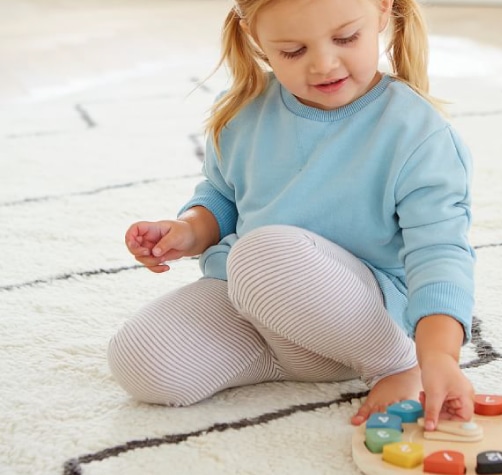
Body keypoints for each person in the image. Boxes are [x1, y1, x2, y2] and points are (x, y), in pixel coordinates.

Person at [108, 0, 476, 431]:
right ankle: (277, 361)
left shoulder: (419, 133)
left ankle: (394, 363)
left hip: (357, 315)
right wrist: (189, 230)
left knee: (262, 254)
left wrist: (437, 357)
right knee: (139, 361)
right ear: (255, 39)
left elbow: (439, 253)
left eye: (345, 38)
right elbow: (223, 195)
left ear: (382, 11)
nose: (323, 64)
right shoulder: (244, 107)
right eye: (292, 51)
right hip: (250, 300)